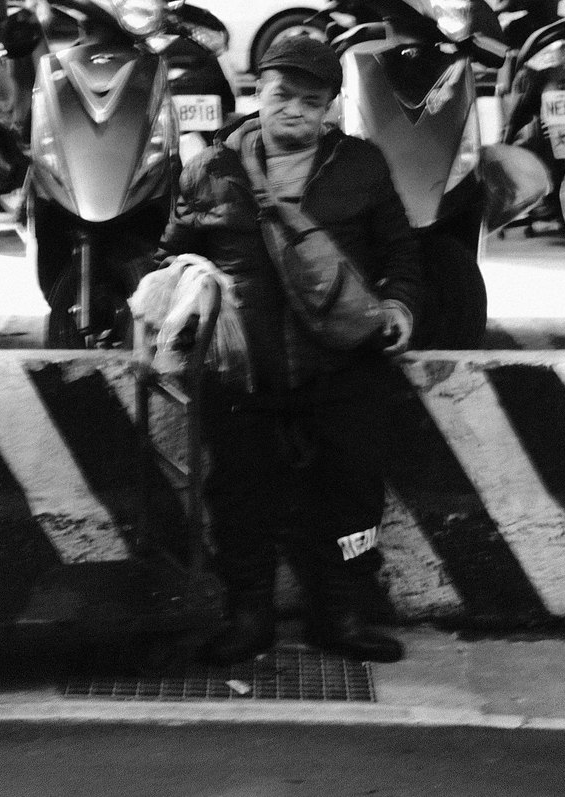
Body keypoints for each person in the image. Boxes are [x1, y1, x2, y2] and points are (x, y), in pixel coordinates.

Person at [161, 33, 421, 665]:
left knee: (353, 494)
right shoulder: (211, 170)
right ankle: (248, 616)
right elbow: (173, 253)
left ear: (331, 105)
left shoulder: (361, 165)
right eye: (283, 96)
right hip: (244, 369)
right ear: (259, 93)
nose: (296, 111)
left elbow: (403, 252)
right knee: (240, 496)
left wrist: (400, 304)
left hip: (344, 367)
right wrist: (186, 292)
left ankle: (344, 611)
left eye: (312, 100)